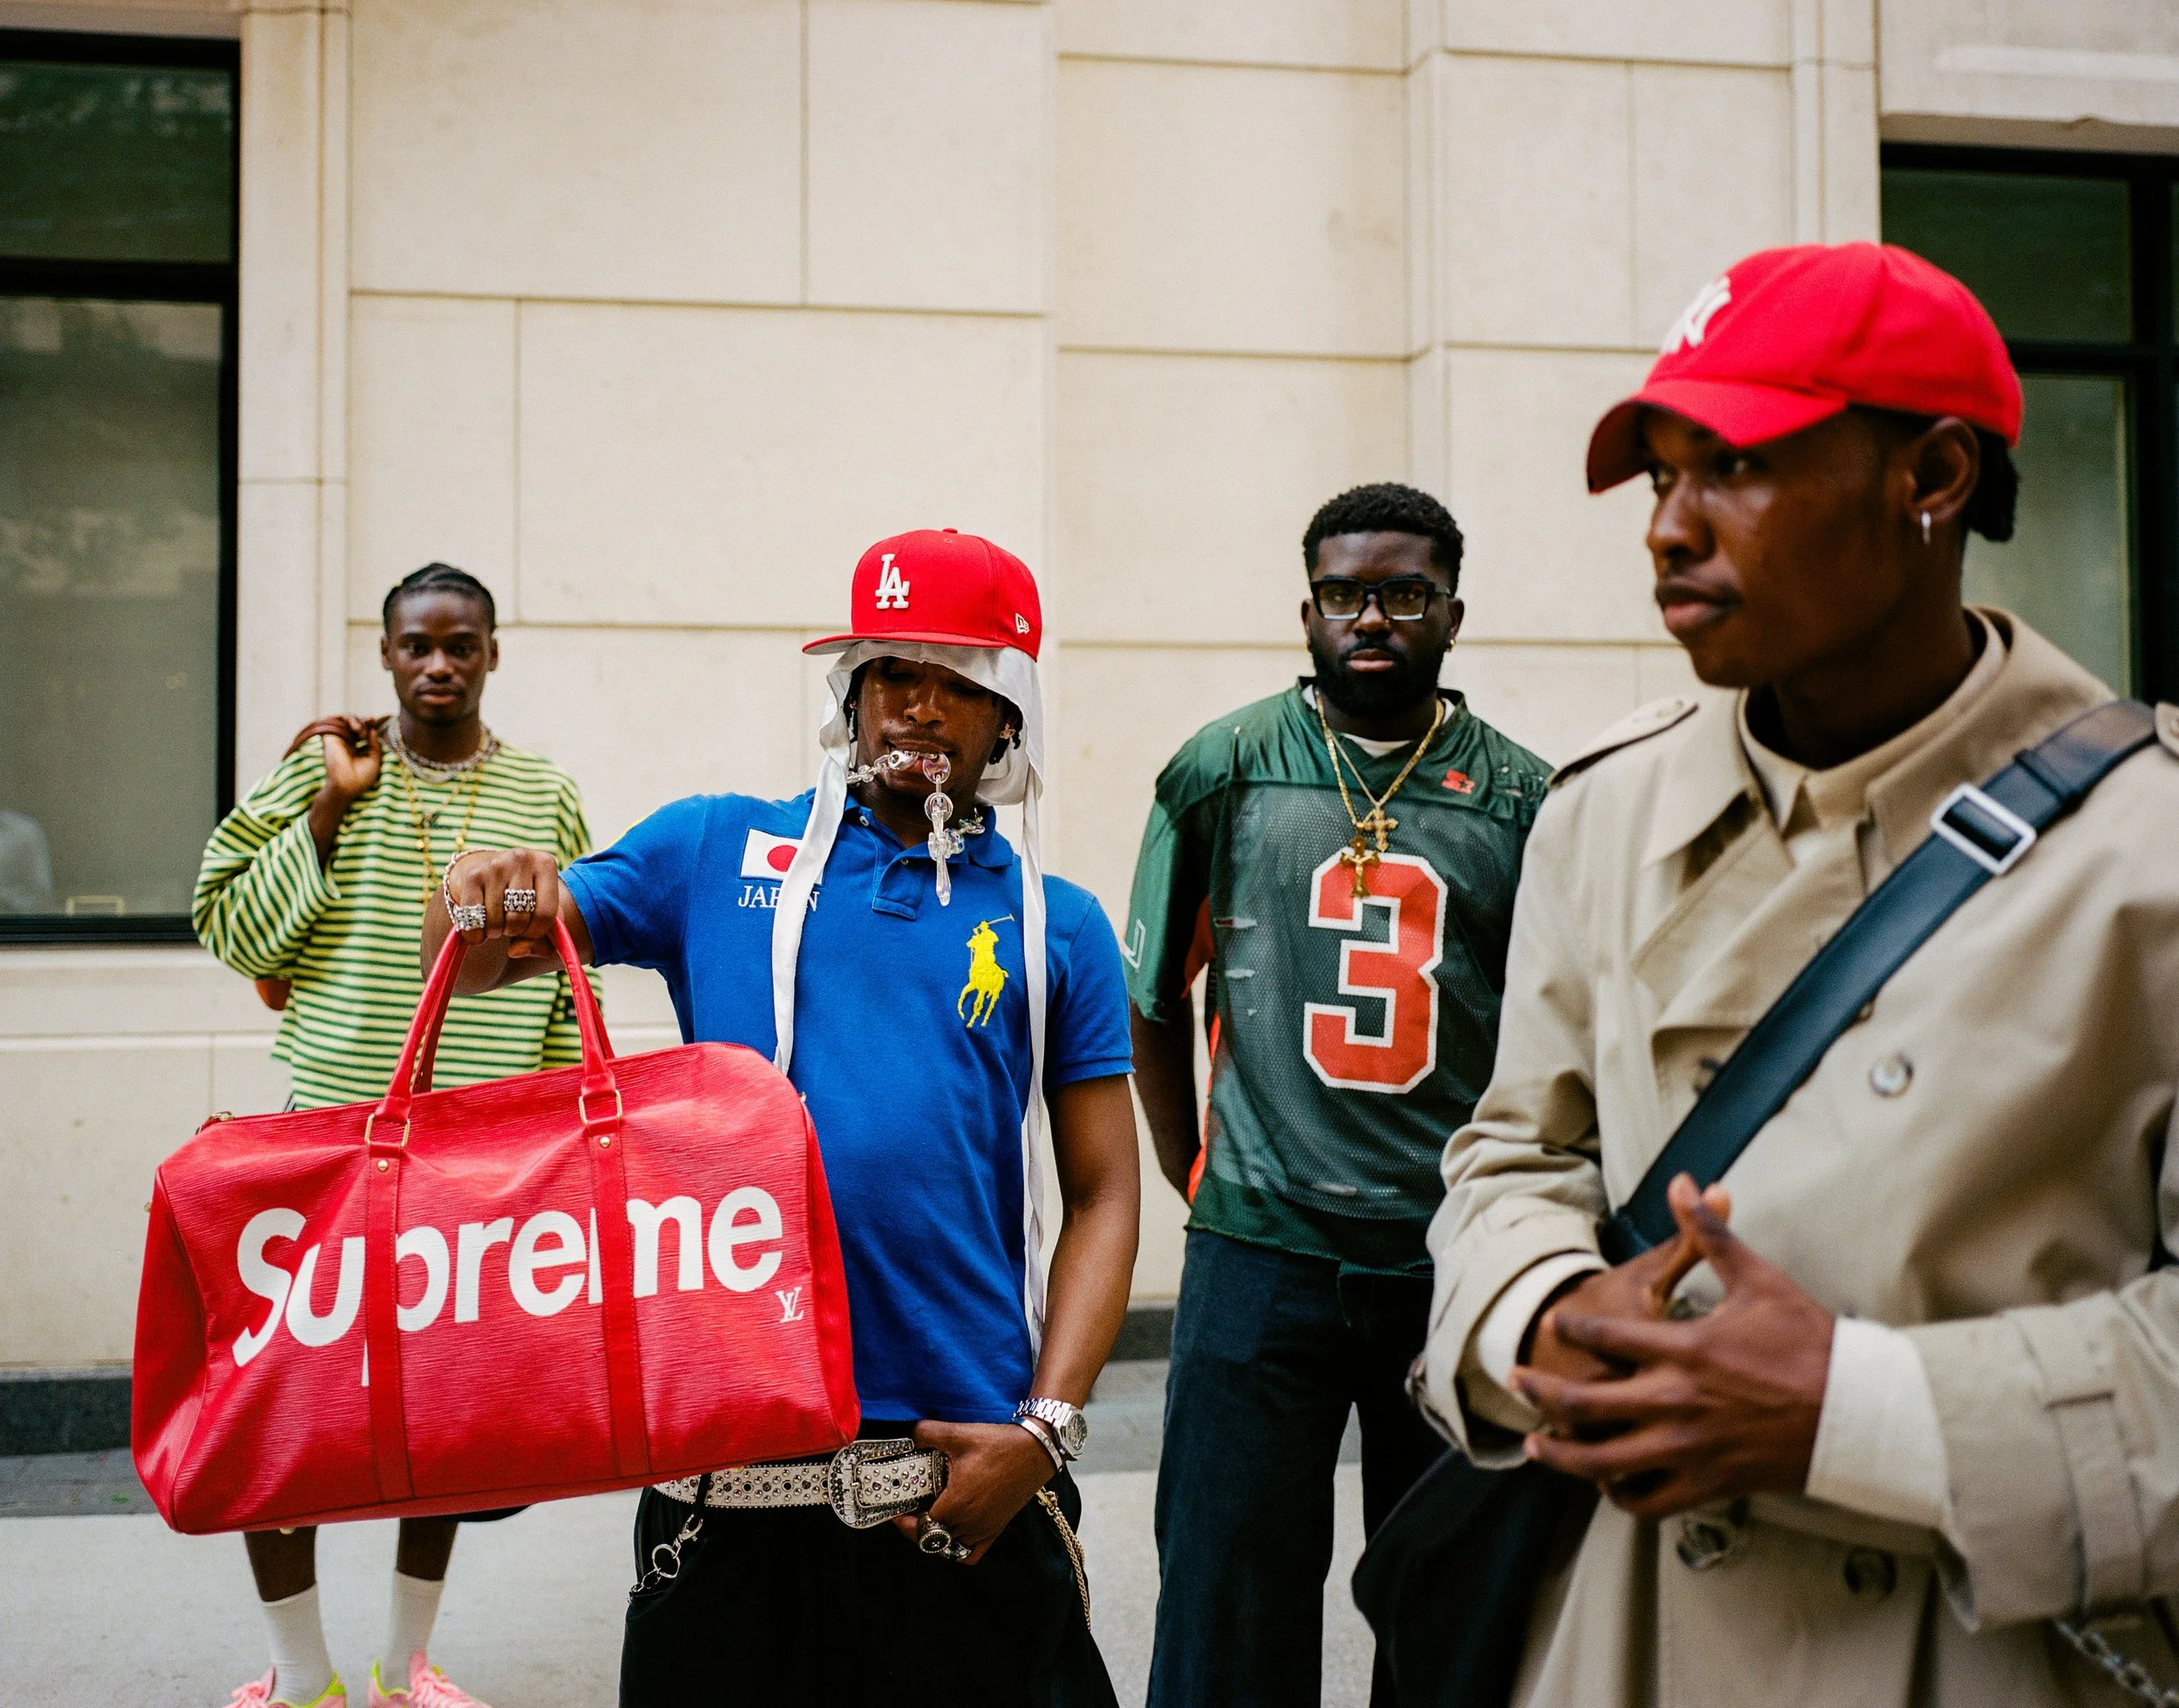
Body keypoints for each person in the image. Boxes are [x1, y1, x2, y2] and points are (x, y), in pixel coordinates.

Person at [1416, 241, 2179, 1705]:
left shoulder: (2149, 852)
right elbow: (1512, 1154)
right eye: (1658, 476)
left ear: (1933, 477)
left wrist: (1866, 1415)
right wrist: (1544, 1318)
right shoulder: (1601, 812)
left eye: (1738, 466)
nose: (1670, 530)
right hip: (1622, 1645)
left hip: (1991, 1651)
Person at [422, 528, 1141, 1706]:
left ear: (1010, 715)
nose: (920, 706)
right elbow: (481, 957)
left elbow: (1109, 1190)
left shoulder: (1058, 925)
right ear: (850, 690)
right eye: (893, 672)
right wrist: (484, 899)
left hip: (961, 1473)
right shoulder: (711, 846)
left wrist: (1046, 1432)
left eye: (961, 681)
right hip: (727, 1479)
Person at [1126, 483, 1551, 1708]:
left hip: (1448, 1255)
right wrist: (1194, 1168)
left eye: (1404, 593)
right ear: (1306, 609)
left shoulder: (1526, 797)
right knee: (1226, 1608)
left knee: (1456, 1614)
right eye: (1345, 594)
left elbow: (1551, 1037)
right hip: (1260, 1250)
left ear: (1453, 611)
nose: (1372, 618)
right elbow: (1152, 995)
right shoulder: (1224, 767)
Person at [193, 563, 597, 1708]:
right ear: (384, 653)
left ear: (492, 654)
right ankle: (300, 1669)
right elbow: (230, 926)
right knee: (285, 1405)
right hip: (323, 1140)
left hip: (481, 1146)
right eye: (417, 645)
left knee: (444, 1415)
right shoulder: (323, 770)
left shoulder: (545, 790)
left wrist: (568, 1126)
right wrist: (324, 804)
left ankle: (404, 1662)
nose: (438, 665)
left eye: (460, 644)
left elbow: (572, 982)